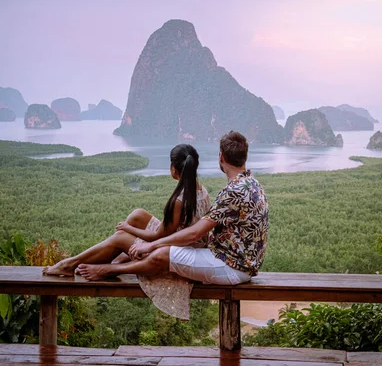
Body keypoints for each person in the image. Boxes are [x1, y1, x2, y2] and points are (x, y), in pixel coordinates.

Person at [75, 131, 269, 291]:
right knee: (152, 238)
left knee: (161, 254)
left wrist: (152, 245)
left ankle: (108, 270)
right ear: (245, 157)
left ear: (221, 157)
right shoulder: (253, 184)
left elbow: (195, 232)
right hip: (239, 262)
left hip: (231, 267)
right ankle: (107, 262)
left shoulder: (233, 191)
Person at [43, 144, 210, 319]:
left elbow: (158, 236)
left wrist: (128, 229)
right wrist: (132, 227)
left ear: (174, 169)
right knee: (137, 215)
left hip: (174, 252)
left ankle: (70, 264)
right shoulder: (201, 190)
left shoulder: (179, 200)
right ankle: (114, 260)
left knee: (120, 237)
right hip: (186, 244)